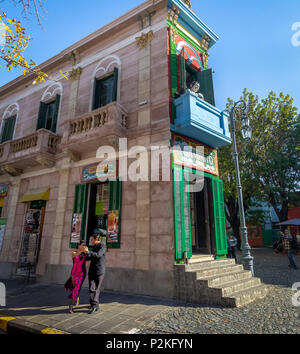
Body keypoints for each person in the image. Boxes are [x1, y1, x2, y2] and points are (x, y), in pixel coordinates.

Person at [83, 234, 107, 314]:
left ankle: (95, 306)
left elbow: (98, 255)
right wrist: (84, 254)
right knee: (91, 288)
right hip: (92, 270)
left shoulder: (102, 246)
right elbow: (90, 257)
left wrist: (88, 252)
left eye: (92, 240)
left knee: (96, 289)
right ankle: (93, 304)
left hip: (99, 270)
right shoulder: (94, 246)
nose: (91, 241)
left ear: (96, 239)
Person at [64, 241, 87, 314]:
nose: (84, 246)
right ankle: (76, 297)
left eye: (84, 245)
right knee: (75, 287)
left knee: (76, 289)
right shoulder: (74, 253)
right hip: (74, 274)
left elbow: (91, 257)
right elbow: (76, 255)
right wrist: (82, 250)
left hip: (82, 274)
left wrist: (87, 252)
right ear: (79, 245)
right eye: (82, 245)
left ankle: (71, 306)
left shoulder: (84, 253)